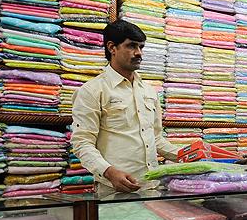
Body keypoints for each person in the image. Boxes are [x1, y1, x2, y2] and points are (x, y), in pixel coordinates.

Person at [71, 20, 178, 193]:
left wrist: (189, 157)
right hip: (114, 191)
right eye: (131, 46)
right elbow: (82, 143)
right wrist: (109, 172)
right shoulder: (92, 91)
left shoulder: (149, 91)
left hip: (152, 187)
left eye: (141, 47)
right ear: (112, 47)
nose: (138, 53)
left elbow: (156, 139)